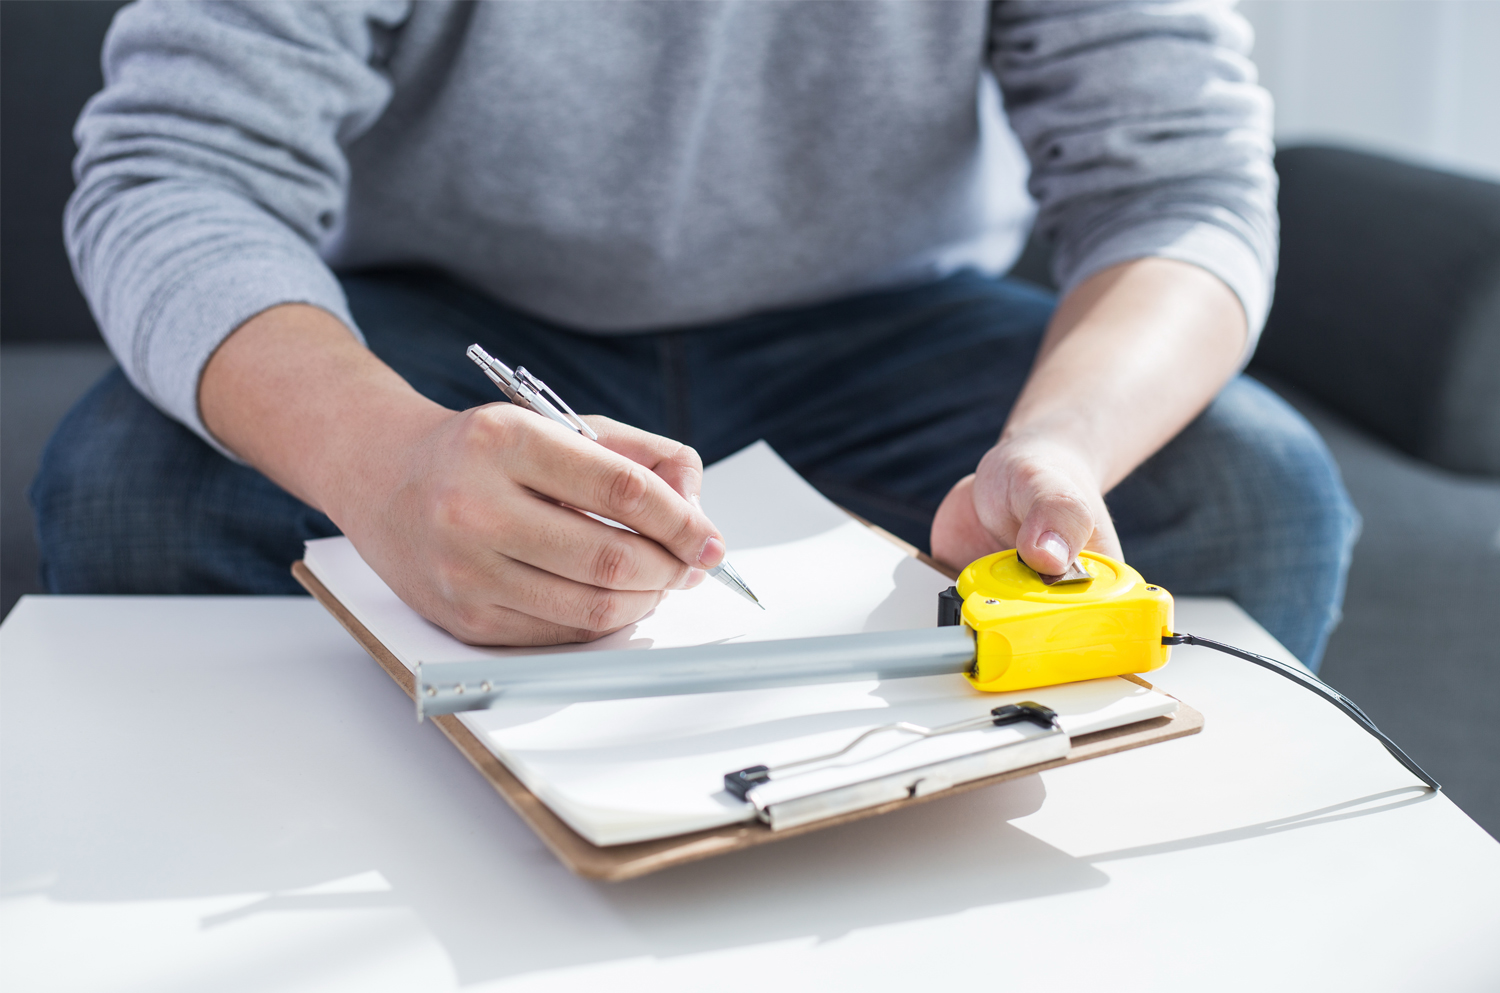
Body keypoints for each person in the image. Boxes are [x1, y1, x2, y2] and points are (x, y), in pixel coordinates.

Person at [36, 0, 1359, 668]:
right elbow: (178, 169)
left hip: (888, 319)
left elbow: (1177, 185)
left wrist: (1065, 440)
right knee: (134, 495)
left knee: (1253, 493)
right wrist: (381, 457)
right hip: (436, 314)